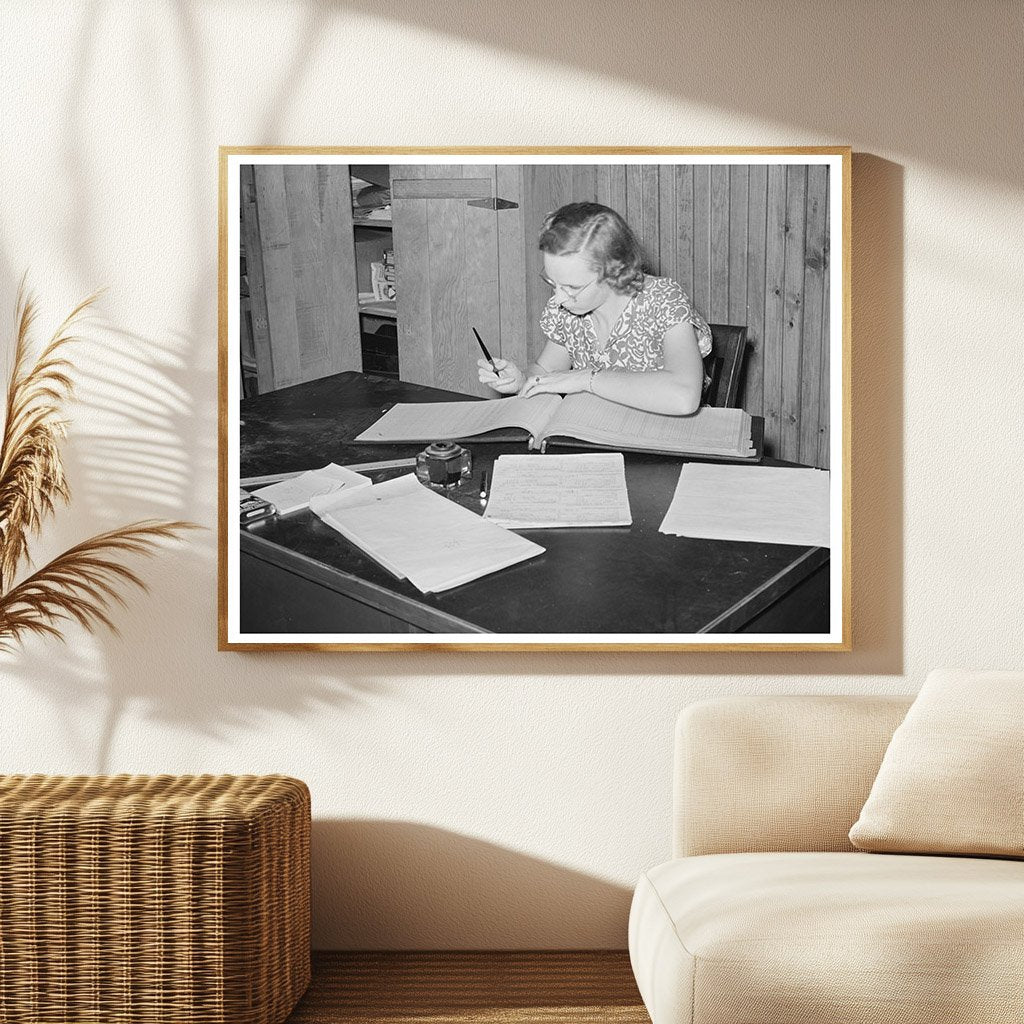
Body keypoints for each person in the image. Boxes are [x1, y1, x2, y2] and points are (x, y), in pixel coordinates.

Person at [478, 202, 712, 416]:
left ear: (614, 271)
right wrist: (522, 380)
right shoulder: (568, 309)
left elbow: (684, 397)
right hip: (596, 430)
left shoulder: (663, 300)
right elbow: (546, 370)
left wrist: (586, 379)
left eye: (572, 287)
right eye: (552, 282)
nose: (559, 298)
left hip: (660, 439)